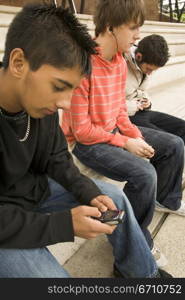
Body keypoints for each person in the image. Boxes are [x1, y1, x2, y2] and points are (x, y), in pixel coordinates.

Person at [0, 2, 171, 279]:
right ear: (19, 63)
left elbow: (58, 160)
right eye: (59, 87)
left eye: (71, 90)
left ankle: (142, 275)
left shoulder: (40, 103)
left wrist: (89, 192)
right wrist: (62, 225)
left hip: (36, 192)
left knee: (114, 200)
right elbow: (81, 132)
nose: (66, 104)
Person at [62, 0, 185, 260]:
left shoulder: (119, 62)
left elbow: (119, 110)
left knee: (172, 145)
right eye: (133, 28)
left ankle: (152, 212)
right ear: (110, 28)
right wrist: (125, 142)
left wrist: (134, 134)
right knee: (145, 174)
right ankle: (133, 238)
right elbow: (83, 132)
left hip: (110, 132)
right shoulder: (81, 64)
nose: (138, 35)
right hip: (87, 144)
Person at [125, 34, 185, 144]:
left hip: (142, 112)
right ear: (139, 56)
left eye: (153, 70)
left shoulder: (145, 65)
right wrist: (134, 105)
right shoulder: (121, 62)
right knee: (172, 141)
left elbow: (141, 90)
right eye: (148, 69)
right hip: (126, 117)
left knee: (183, 127)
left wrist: (146, 101)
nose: (150, 73)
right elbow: (109, 104)